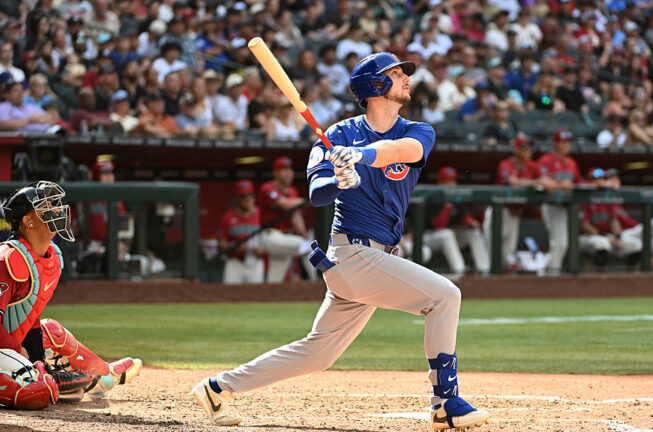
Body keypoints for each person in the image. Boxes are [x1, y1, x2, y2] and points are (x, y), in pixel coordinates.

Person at [191, 52, 489, 431]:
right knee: (445, 296)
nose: (406, 79)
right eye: (396, 74)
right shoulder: (336, 136)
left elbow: (402, 152)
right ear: (375, 85)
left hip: (375, 259)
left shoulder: (417, 130)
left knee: (318, 353)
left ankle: (218, 388)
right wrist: (338, 180)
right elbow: (316, 193)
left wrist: (361, 157)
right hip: (351, 254)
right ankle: (446, 402)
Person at [0, 181, 141, 410]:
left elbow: (30, 317)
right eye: (46, 207)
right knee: (40, 391)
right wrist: (21, 353)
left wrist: (37, 359)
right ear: (27, 221)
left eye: (55, 205)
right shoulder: (4, 260)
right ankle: (49, 382)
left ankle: (102, 377)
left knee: (53, 331)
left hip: (6, 342)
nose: (57, 211)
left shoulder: (49, 257)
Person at [485, 136, 554, 269]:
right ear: (516, 149)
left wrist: (544, 182)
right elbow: (512, 181)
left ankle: (503, 285)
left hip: (514, 213)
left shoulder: (533, 165)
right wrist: (536, 182)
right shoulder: (505, 164)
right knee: (493, 249)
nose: (528, 151)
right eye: (524, 148)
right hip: (499, 211)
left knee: (508, 252)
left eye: (529, 148)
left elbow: (547, 181)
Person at [423, 167, 490, 276]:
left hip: (449, 237)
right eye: (447, 181)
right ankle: (459, 271)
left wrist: (472, 223)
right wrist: (447, 208)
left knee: (473, 233)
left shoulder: (455, 196)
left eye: (453, 180)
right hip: (429, 238)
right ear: (440, 182)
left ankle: (484, 270)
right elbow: (439, 224)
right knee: (446, 234)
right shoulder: (432, 196)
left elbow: (465, 217)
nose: (451, 184)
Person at [257, 156, 315, 283]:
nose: (288, 173)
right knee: (308, 247)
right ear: (276, 173)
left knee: (275, 279)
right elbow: (284, 204)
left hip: (285, 237)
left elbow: (295, 215)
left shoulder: (292, 191)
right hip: (271, 236)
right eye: (283, 169)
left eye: (289, 169)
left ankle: (270, 296)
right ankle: (316, 283)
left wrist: (303, 232)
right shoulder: (268, 188)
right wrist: (306, 201)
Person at [537, 129, 582, 274]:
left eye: (567, 142)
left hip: (565, 208)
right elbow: (543, 181)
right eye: (562, 142)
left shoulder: (572, 162)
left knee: (563, 243)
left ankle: (551, 273)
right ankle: (552, 275)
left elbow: (578, 182)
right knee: (559, 243)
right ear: (555, 143)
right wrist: (561, 184)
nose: (565, 145)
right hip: (551, 205)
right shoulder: (546, 160)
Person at [218, 180, 264, 284]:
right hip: (235, 261)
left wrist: (263, 249)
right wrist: (235, 247)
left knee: (256, 297)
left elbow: (271, 239)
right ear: (237, 199)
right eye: (243, 196)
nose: (247, 199)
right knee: (230, 295)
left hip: (255, 260)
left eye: (250, 195)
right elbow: (221, 244)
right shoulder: (228, 217)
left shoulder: (262, 216)